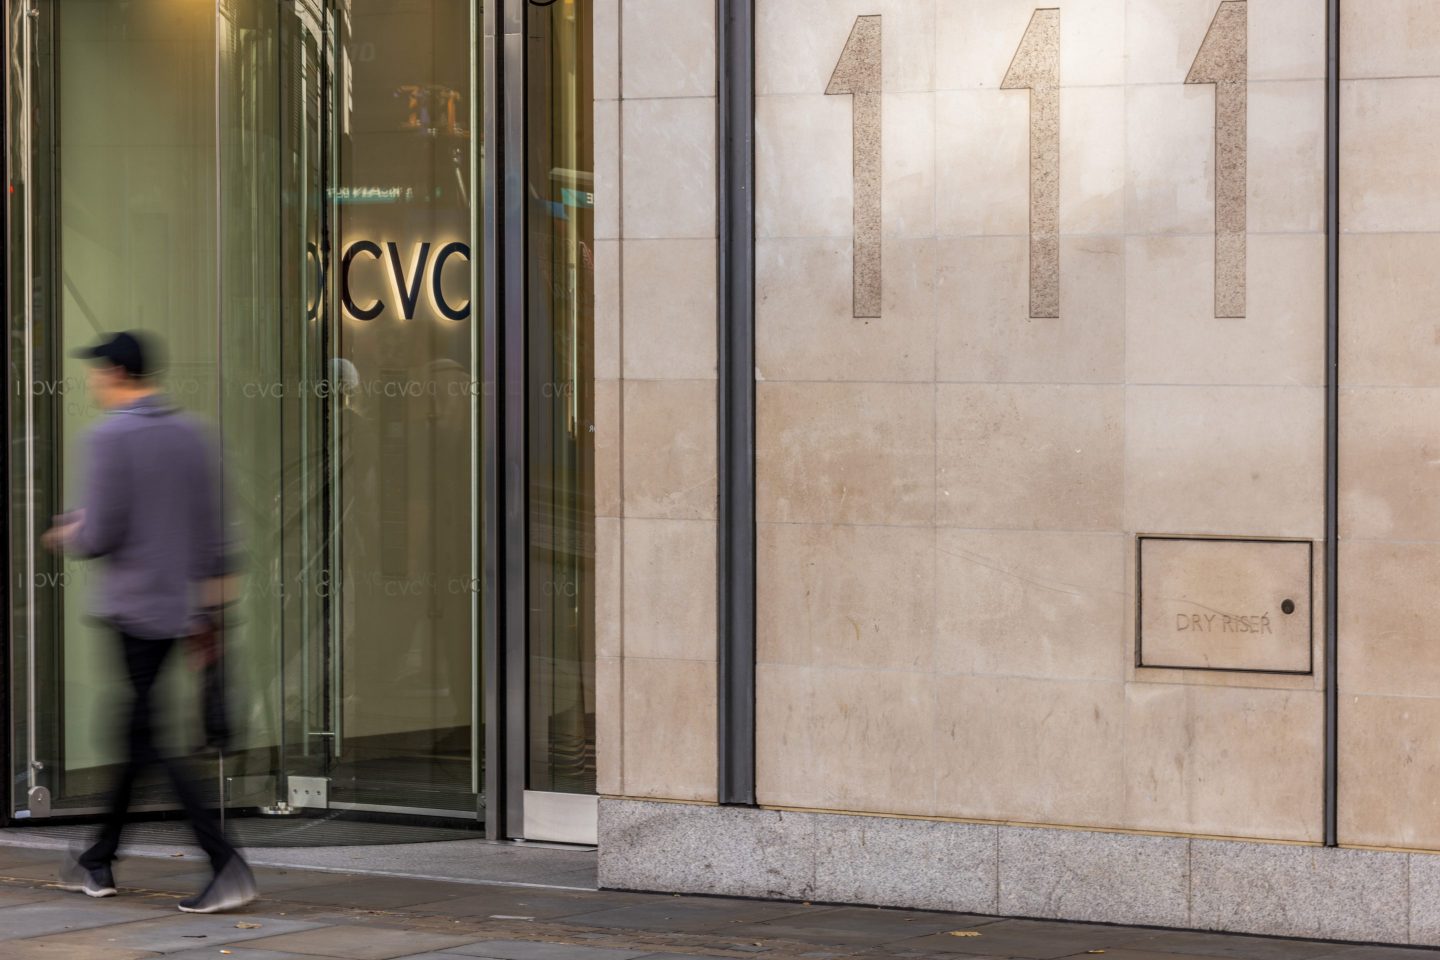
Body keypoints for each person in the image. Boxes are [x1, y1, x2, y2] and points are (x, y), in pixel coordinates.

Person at [43, 331, 257, 914]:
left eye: (96, 371)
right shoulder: (193, 435)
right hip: (183, 611)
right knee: (137, 734)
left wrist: (68, 531)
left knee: (150, 740)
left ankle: (225, 863)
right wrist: (213, 616)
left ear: (116, 372)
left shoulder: (109, 436)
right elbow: (216, 536)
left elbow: (101, 534)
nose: (92, 381)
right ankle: (98, 858)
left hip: (134, 612)